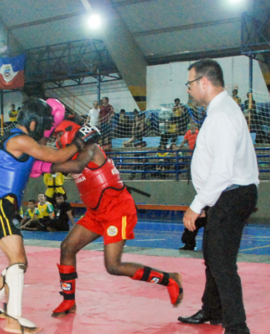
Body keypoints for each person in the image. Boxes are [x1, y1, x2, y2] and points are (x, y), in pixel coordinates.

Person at [0, 98, 99, 334]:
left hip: (3, 205)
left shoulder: (22, 140)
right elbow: (58, 156)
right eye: (44, 126)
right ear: (33, 123)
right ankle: (14, 320)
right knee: (18, 261)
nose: (46, 132)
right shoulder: (21, 140)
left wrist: (82, 143)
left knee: (17, 262)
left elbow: (68, 164)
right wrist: (80, 139)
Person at [45, 119, 183, 320]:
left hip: (117, 210)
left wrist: (44, 166)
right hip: (96, 212)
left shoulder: (90, 148)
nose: (56, 140)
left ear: (70, 132)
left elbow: (77, 166)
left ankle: (170, 279)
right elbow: (57, 159)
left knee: (113, 266)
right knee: (67, 247)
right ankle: (69, 301)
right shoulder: (69, 155)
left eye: (58, 135)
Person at [180, 59, 259, 334]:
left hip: (231, 193)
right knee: (212, 255)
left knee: (221, 262)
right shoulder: (220, 110)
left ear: (204, 81)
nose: (188, 90)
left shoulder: (223, 115)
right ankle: (212, 309)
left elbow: (223, 170)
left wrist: (197, 204)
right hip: (226, 195)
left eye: (190, 83)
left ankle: (237, 332)